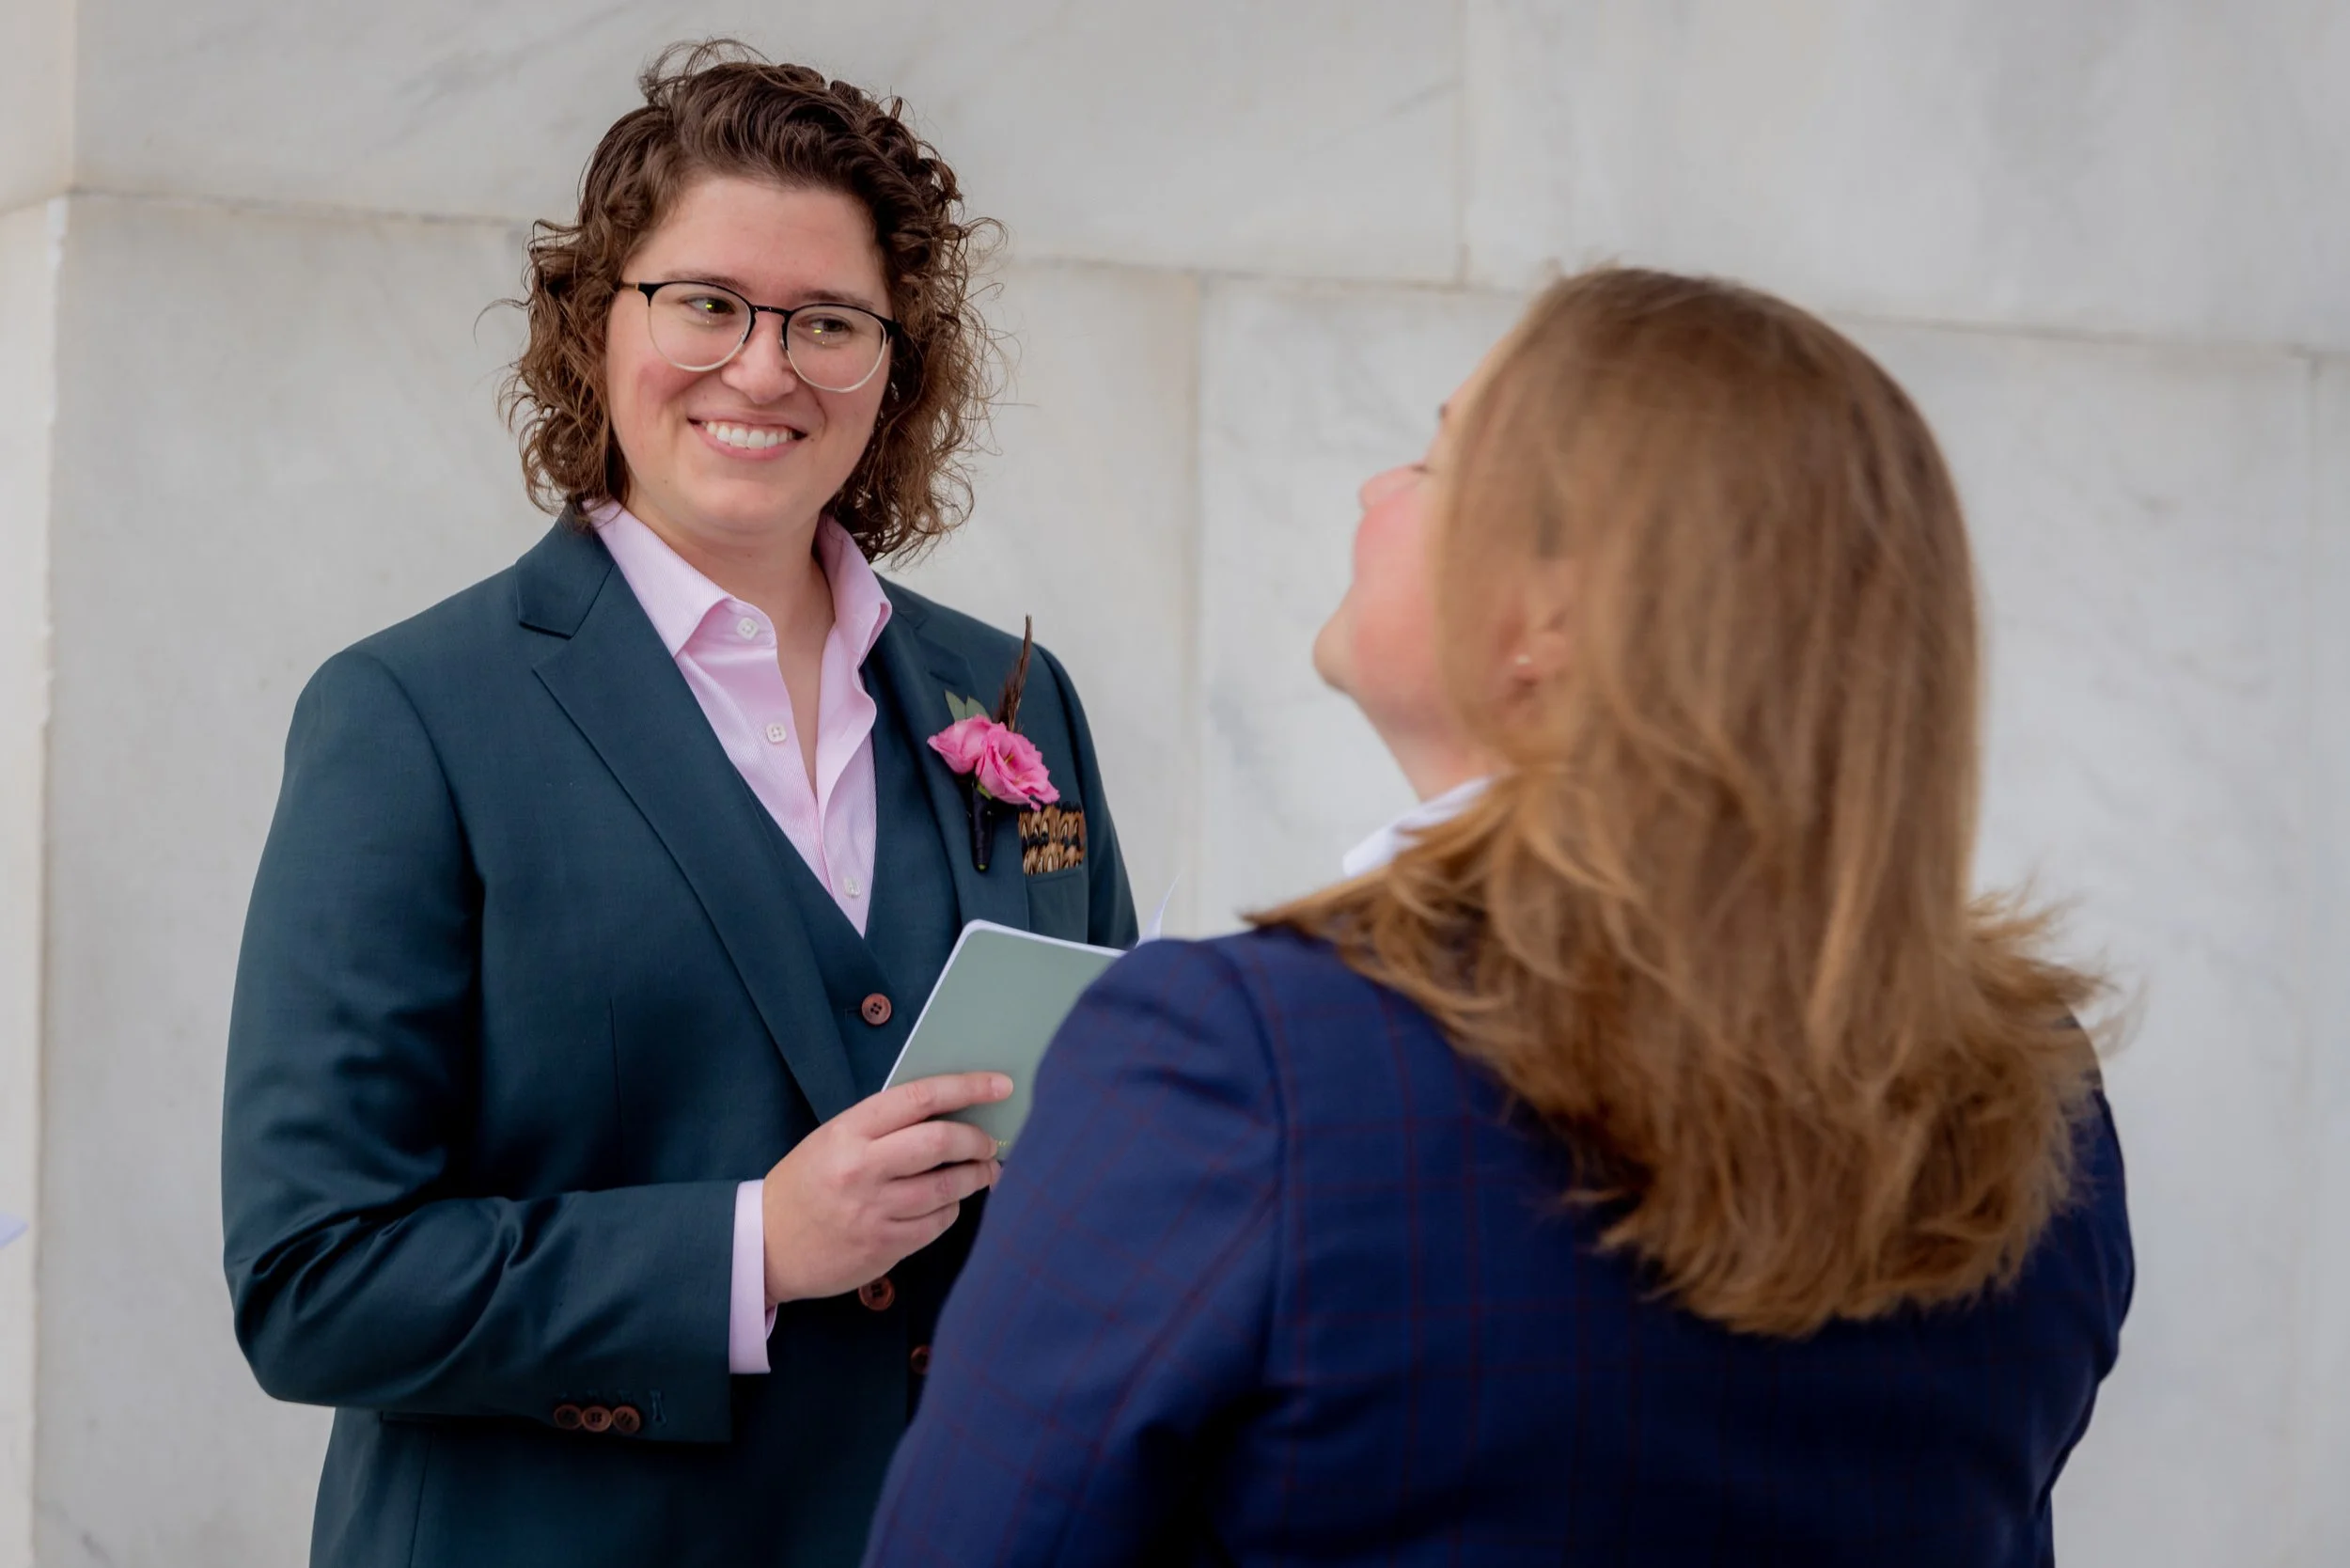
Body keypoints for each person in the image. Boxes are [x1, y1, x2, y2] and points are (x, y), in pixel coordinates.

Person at [864, 268, 2132, 1566]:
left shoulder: (1243, 1061)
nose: (1374, 493)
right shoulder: (2036, 1098)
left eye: (1433, 459)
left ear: (1555, 616)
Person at [222, 42, 1135, 1568]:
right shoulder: (409, 717)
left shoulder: (1016, 700)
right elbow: (312, 1283)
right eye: (706, 302)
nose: (764, 367)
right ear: (594, 325)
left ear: (895, 368)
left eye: (828, 322)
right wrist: (752, 1251)